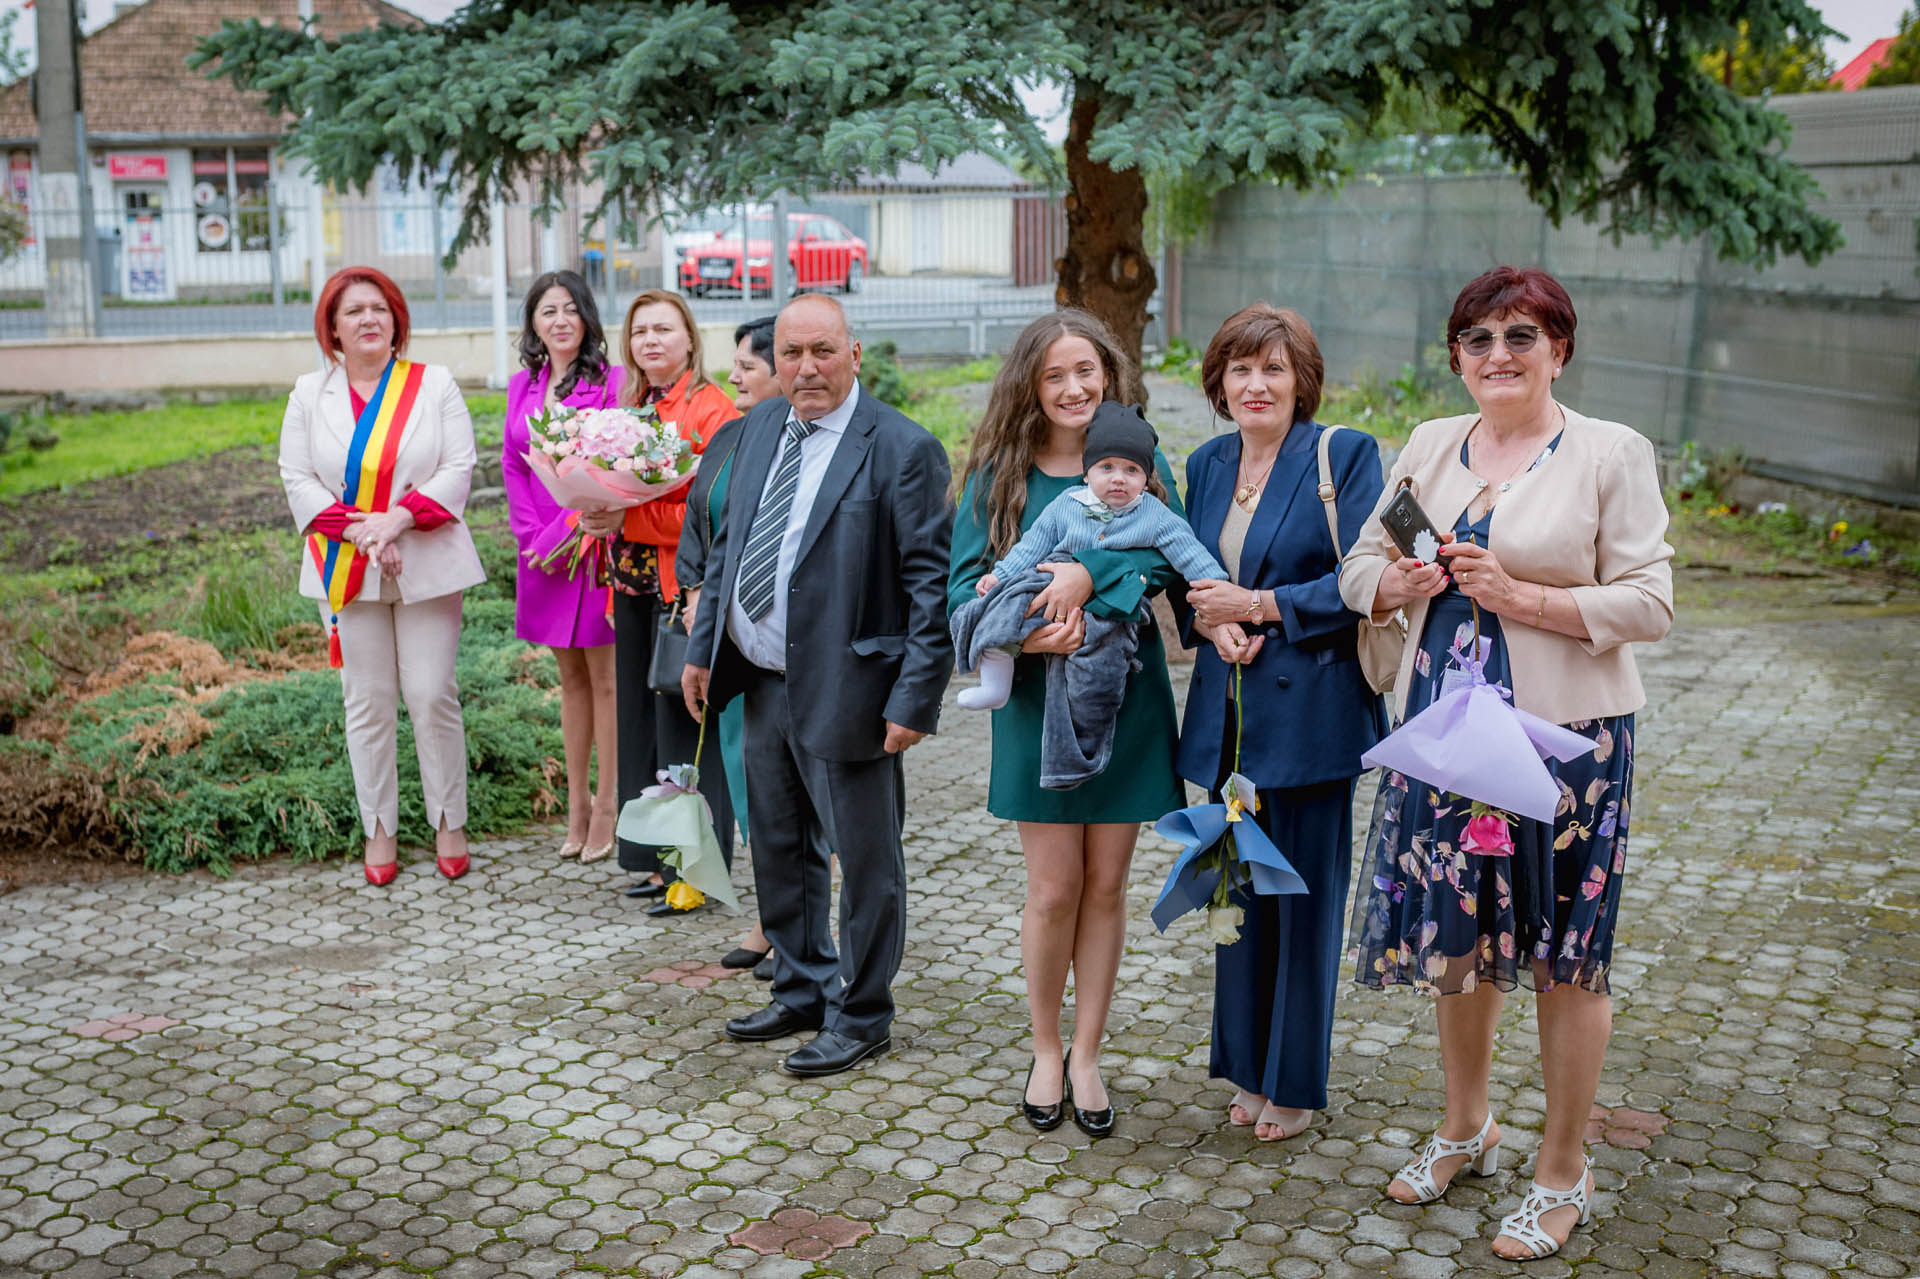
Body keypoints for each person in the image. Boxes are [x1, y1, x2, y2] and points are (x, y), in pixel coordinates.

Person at [1342, 266, 1673, 1260]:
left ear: (1557, 350)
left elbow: (1651, 601)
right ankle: (1466, 1126)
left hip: (1567, 745)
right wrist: (1396, 584)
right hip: (1446, 737)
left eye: (1521, 336)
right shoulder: (1431, 444)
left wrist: (1522, 597)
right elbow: (1359, 565)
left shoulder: (1610, 451)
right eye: (1478, 339)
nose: (1498, 355)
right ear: (1457, 357)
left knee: (1565, 955)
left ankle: (1562, 1169)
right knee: (1459, 940)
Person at [682, 293, 953, 1078]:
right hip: (762, 680)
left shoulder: (903, 449)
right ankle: (801, 986)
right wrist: (703, 647)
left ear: (853, 354)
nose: (806, 368)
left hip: (852, 689)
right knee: (778, 843)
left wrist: (914, 697)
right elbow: (730, 547)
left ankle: (862, 1014)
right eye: (791, 353)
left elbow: (929, 586)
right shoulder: (761, 425)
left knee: (866, 863)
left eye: (822, 351)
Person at [947, 309, 1187, 1138]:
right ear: (1031, 385)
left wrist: (1091, 575)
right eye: (1055, 374)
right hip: (1034, 703)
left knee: (1109, 886)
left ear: (1108, 376)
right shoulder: (999, 476)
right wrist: (1024, 632)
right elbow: (963, 589)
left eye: (1086, 370)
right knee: (1054, 888)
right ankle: (1045, 1047)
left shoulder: (1141, 462)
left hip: (1128, 700)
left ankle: (1088, 1053)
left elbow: (1170, 556)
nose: (1074, 386)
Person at [1174, 304, 1387, 1141]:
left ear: (1303, 380)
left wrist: (1257, 606)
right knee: (1237, 899)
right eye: (1240, 369)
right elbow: (1185, 576)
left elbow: (1364, 580)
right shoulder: (1206, 462)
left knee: (1301, 905)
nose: (1255, 384)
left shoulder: (1344, 454)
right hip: (1229, 720)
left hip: (1312, 721)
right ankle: (1244, 1064)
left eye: (1273, 368)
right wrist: (1209, 622)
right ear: (1219, 382)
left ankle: (1292, 1081)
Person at [277, 266, 485, 885]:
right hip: (346, 566)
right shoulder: (307, 395)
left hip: (427, 558)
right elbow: (297, 479)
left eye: (380, 309)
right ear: (333, 330)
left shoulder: (434, 384)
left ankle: (449, 820)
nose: (369, 319)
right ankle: (379, 829)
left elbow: (459, 467)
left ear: (397, 322)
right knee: (366, 702)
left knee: (431, 694)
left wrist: (398, 520)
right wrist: (366, 534)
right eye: (354, 311)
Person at [953, 404, 1224, 787]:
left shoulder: (1155, 515)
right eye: (1106, 467)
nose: (1119, 478)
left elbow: (1189, 554)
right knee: (1004, 608)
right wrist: (1000, 577)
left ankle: (1083, 744)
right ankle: (995, 682)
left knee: (1099, 665)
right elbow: (1032, 547)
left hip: (1110, 607)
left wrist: (1217, 586)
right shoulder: (1067, 504)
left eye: (1132, 470)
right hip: (1049, 585)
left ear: (1146, 479)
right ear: (1087, 472)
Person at [578, 289, 738, 915]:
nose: (650, 340)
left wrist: (628, 519)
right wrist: (594, 512)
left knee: (685, 732)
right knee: (641, 730)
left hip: (680, 593)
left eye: (663, 329)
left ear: (690, 339)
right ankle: (653, 860)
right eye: (640, 330)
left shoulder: (713, 410)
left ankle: (694, 870)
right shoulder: (630, 407)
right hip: (631, 589)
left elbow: (711, 518)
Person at [501, 270, 625, 863]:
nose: (560, 320)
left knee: (606, 681)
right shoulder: (520, 387)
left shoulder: (611, 383)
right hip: (540, 557)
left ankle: (609, 806)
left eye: (571, 309)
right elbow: (513, 464)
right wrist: (532, 537)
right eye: (548, 310)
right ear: (533, 322)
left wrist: (565, 531)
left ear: (587, 318)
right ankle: (575, 805)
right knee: (569, 681)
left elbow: (611, 463)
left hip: (591, 545)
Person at [678, 314, 777, 969]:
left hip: (784, 642)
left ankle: (796, 921)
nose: (733, 376)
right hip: (728, 642)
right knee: (747, 781)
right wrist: (693, 594)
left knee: (790, 790)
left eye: (747, 365)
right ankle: (772, 916)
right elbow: (699, 522)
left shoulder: (803, 445)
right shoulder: (729, 436)